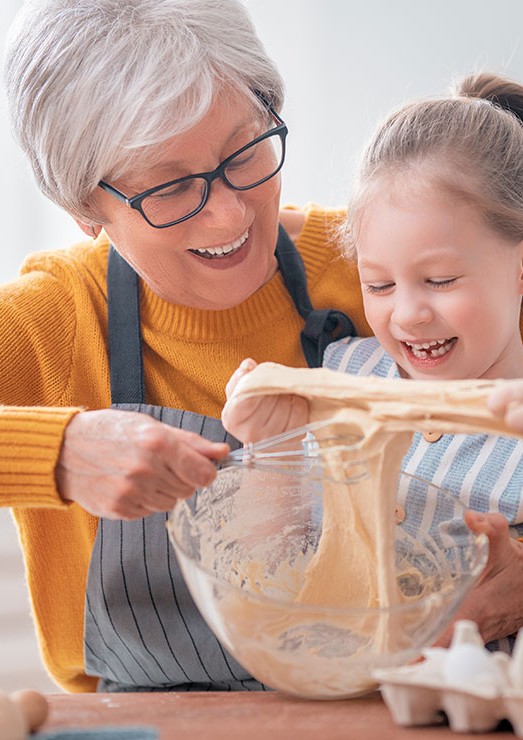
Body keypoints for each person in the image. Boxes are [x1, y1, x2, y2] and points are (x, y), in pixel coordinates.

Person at [1, 0, 369, 694]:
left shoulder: (387, 267)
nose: (230, 213)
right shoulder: (52, 321)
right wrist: (58, 451)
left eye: (243, 152)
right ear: (83, 206)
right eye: (169, 187)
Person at [223, 71, 523, 653]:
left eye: (439, 280)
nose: (409, 315)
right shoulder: (340, 380)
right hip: (339, 702)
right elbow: (264, 581)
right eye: (379, 285)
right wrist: (271, 454)